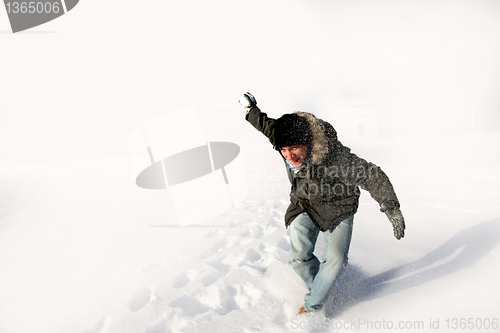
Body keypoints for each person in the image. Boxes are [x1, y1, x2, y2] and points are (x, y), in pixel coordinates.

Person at [238, 92, 406, 315]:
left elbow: (372, 175)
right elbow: (265, 125)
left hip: (339, 206)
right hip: (304, 202)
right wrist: (250, 111)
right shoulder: (284, 137)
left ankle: (312, 308)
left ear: (307, 142)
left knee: (335, 261)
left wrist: (391, 207)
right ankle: (321, 288)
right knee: (298, 259)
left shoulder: (335, 157)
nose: (289, 156)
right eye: (284, 151)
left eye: (294, 149)